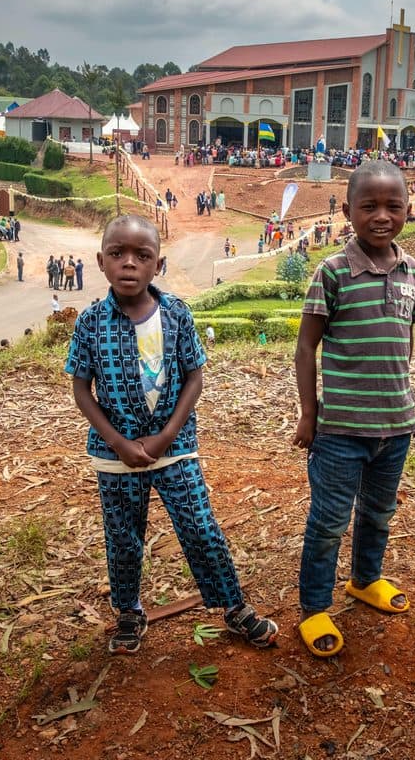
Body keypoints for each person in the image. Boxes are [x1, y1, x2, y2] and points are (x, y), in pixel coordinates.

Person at [66, 215, 278, 654]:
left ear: (157, 265)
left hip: (175, 448)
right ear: (100, 262)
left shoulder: (177, 314)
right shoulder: (90, 322)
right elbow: (81, 390)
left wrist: (164, 437)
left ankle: (233, 607)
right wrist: (119, 443)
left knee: (201, 528)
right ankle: (128, 611)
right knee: (123, 536)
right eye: (117, 254)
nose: (129, 264)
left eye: (141, 256)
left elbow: (194, 378)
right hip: (116, 454)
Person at [292, 160, 415, 657]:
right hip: (341, 430)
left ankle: (365, 579)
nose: (381, 216)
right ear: (347, 210)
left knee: (378, 511)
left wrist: (401, 394)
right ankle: (314, 608)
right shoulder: (331, 272)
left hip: (395, 426)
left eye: (393, 206)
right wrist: (310, 414)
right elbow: (306, 348)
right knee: (329, 520)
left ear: (408, 210)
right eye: (368, 206)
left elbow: (407, 334)